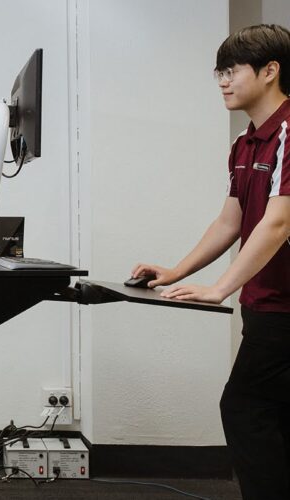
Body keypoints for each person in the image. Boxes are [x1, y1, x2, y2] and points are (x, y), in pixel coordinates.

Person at [131, 24, 290, 499]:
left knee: (243, 407)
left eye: (232, 70)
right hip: (264, 306)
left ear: (270, 70)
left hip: (284, 308)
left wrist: (219, 288)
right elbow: (231, 221)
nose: (222, 80)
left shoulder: (288, 133)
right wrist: (176, 272)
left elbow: (279, 224)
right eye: (218, 72)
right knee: (273, 413)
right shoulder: (245, 144)